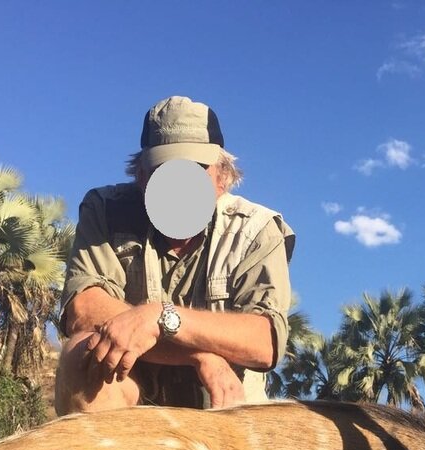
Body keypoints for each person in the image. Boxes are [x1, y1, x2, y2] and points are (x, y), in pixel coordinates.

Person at [55, 96, 294, 414]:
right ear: (140, 176)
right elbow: (84, 309)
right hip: (130, 401)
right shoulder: (105, 209)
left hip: (225, 410)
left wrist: (159, 318)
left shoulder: (258, 228)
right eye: (164, 169)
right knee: (83, 354)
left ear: (223, 176)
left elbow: (264, 342)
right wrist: (199, 354)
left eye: (195, 169)